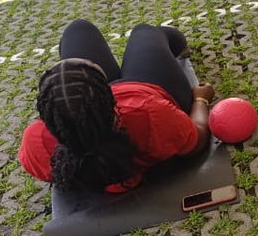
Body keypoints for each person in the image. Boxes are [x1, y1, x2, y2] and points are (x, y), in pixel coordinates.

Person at [19, 19, 215, 193]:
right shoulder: (148, 112)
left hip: (94, 101)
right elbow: (197, 140)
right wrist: (201, 99)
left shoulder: (36, 141)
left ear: (48, 117)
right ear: (109, 95)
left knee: (78, 28)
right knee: (144, 31)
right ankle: (176, 41)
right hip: (149, 87)